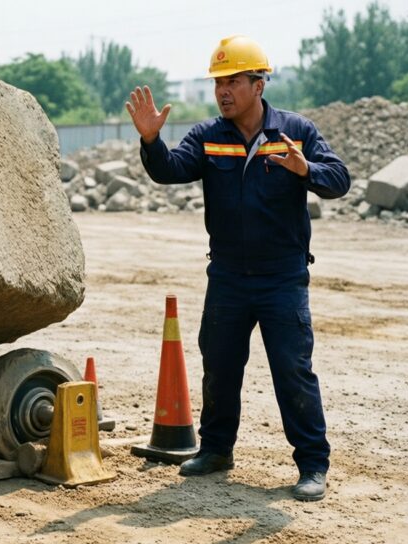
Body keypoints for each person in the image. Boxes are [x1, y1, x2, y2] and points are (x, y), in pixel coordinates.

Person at [125, 35, 350, 501]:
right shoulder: (208, 136)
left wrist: (306, 170)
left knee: (293, 371)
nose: (223, 92)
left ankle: (313, 464)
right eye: (218, 83)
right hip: (227, 276)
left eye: (232, 82)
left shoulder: (296, 132)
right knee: (220, 366)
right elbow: (169, 170)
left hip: (282, 277)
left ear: (258, 85)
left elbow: (340, 180)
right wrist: (150, 140)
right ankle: (216, 450)